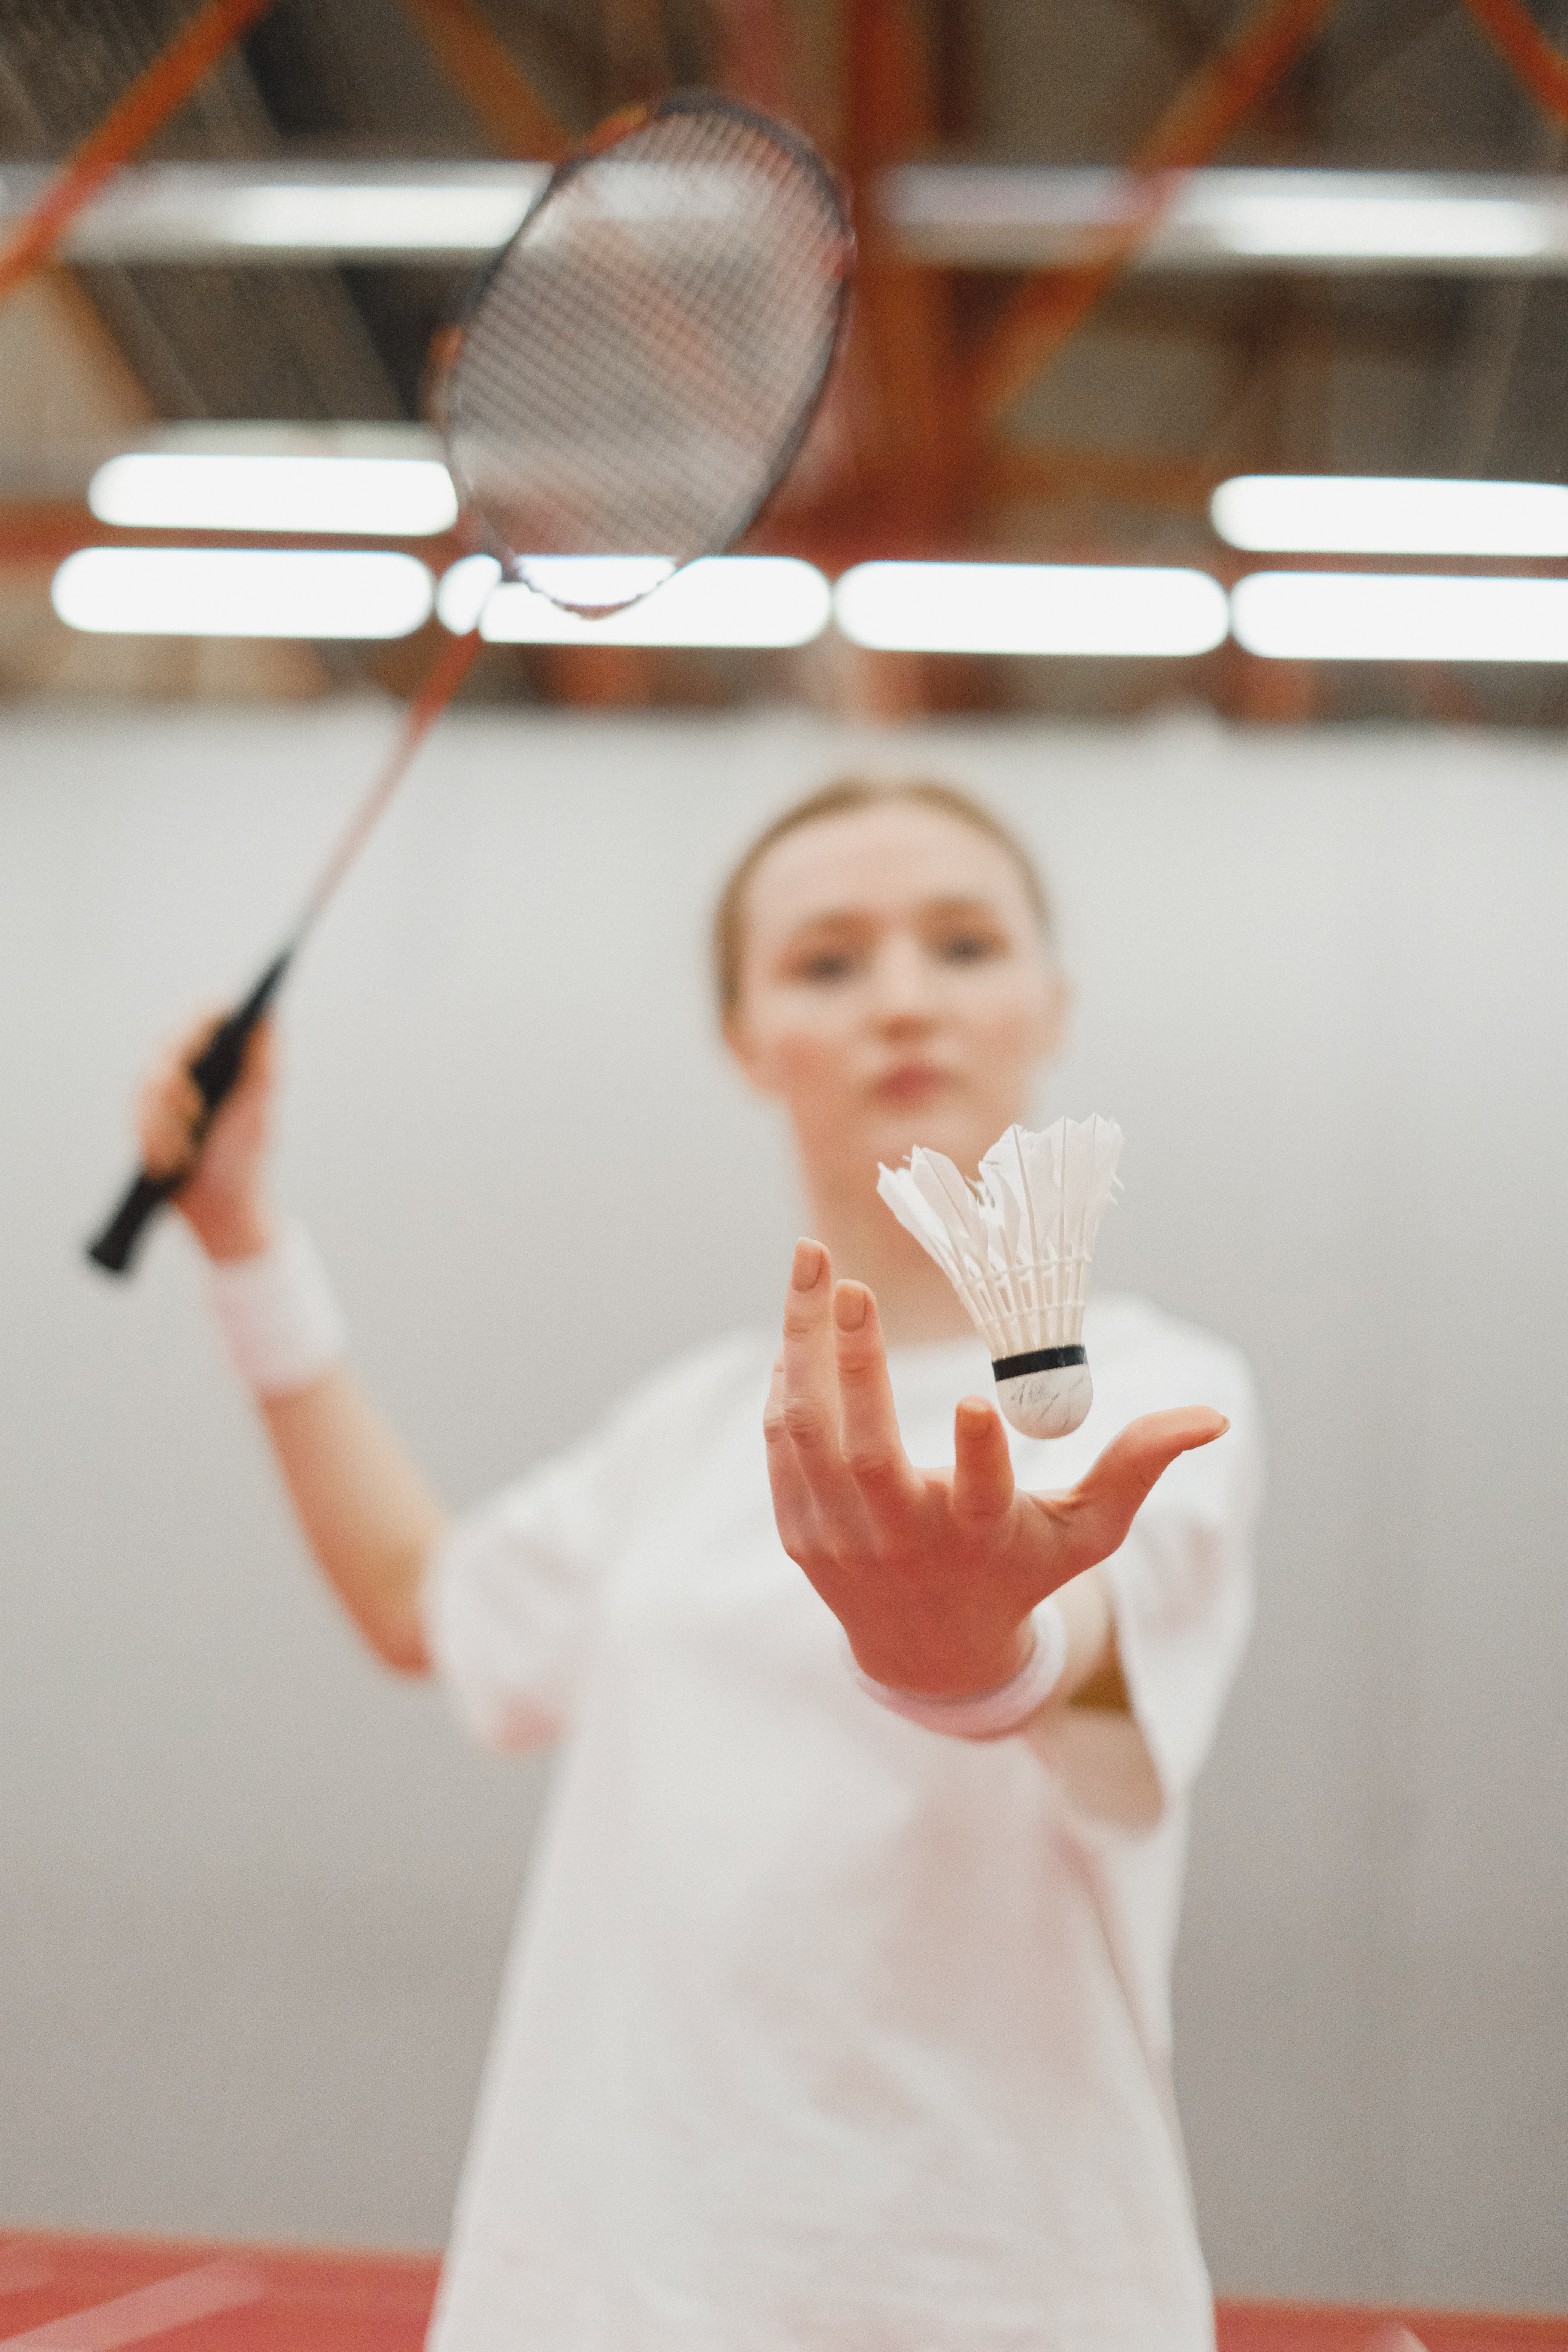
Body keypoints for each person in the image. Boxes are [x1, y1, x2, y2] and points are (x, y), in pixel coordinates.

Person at [136, 776, 1262, 2352]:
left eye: (960, 943)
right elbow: (417, 1600)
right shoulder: (680, 1437)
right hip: (599, 2296)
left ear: (1048, 1006)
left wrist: (948, 1644)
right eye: (824, 962)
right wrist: (244, 1240)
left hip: (989, 2297)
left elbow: (1053, 1662)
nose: (900, 999)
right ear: (745, 1039)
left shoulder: (1151, 1394)